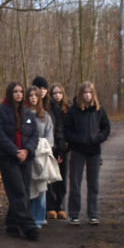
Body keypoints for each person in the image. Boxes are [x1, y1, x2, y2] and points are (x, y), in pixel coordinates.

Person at [0, 82, 40, 241]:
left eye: (20, 91)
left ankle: (12, 224)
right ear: (10, 93)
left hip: (25, 158)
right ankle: (29, 226)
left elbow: (35, 135)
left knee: (23, 191)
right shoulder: (1, 112)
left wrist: (27, 150)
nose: (19, 94)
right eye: (15, 91)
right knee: (18, 191)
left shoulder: (27, 113)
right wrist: (15, 151)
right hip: (9, 159)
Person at [63, 81, 110, 225]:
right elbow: (67, 130)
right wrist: (77, 139)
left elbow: (106, 127)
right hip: (78, 150)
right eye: (85, 92)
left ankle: (93, 214)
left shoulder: (99, 109)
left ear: (93, 94)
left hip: (94, 151)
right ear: (81, 94)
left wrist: (98, 138)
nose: (87, 95)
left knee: (93, 184)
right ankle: (74, 214)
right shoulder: (74, 110)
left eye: (90, 92)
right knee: (75, 183)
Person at [26, 87, 55, 228]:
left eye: (35, 95)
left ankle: (39, 218)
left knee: (41, 189)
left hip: (41, 157)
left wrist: (41, 147)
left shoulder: (45, 116)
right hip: (27, 156)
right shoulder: (22, 115)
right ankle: (29, 218)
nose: (33, 98)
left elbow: (50, 138)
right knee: (29, 189)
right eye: (30, 95)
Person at [47, 83, 70, 219]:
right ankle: (50, 206)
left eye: (60, 93)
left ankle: (60, 205)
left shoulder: (67, 109)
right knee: (50, 178)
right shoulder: (48, 108)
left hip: (64, 147)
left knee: (62, 177)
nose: (57, 96)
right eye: (55, 93)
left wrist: (67, 144)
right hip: (51, 146)